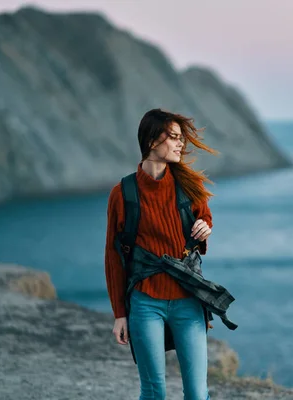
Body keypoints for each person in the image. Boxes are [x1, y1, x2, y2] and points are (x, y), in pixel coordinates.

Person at [104, 108, 218, 400]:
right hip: (145, 303)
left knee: (196, 392)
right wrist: (120, 314)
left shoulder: (190, 186)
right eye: (175, 138)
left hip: (189, 301)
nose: (181, 144)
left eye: (182, 138)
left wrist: (205, 228)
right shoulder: (123, 192)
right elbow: (113, 256)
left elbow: (205, 219)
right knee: (154, 392)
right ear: (153, 141)